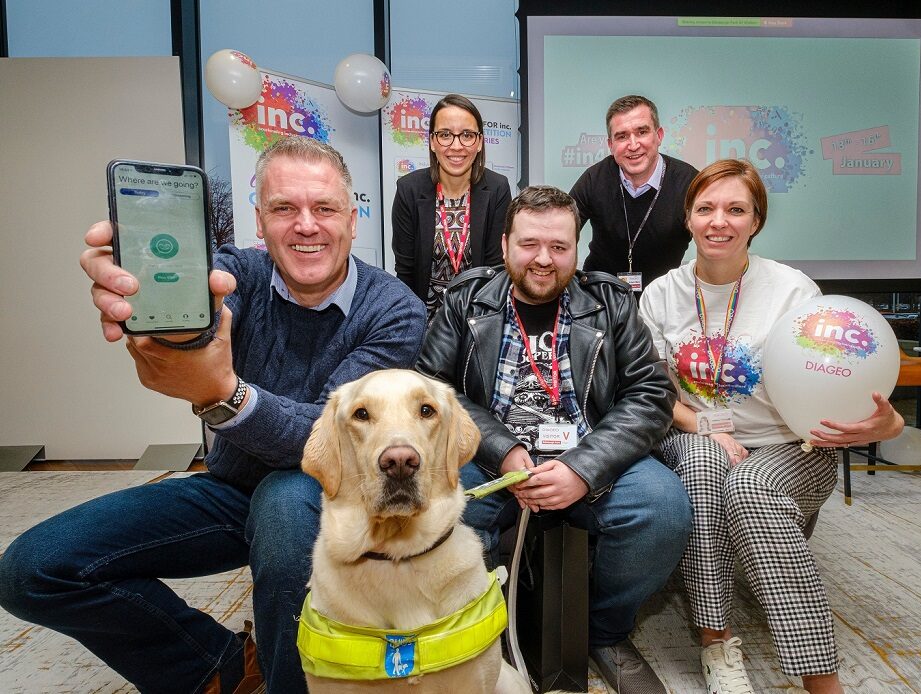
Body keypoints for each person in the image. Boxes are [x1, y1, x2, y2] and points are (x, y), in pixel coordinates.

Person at [0, 136, 427, 694]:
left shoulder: (394, 309)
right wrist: (157, 311)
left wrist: (222, 392)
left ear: (351, 218)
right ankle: (217, 666)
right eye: (283, 208)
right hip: (228, 488)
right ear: (259, 219)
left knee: (283, 502)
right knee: (31, 571)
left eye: (323, 208)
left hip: (330, 494)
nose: (306, 225)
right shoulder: (235, 273)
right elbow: (200, 316)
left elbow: (329, 439)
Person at [639, 159, 904, 694]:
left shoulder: (793, 291)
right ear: (687, 218)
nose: (720, 221)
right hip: (696, 434)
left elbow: (841, 380)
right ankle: (717, 642)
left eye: (736, 209)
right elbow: (652, 392)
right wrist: (703, 427)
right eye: (706, 208)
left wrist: (888, 422)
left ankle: (821, 679)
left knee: (752, 488)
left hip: (789, 446)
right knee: (705, 464)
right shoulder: (660, 295)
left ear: (756, 220)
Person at [417, 184, 693, 694]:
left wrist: (582, 468)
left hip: (590, 452)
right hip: (486, 456)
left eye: (560, 247)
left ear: (576, 248)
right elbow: (431, 391)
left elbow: (651, 394)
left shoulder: (609, 301)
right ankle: (479, 626)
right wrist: (502, 451)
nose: (544, 259)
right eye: (529, 244)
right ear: (504, 246)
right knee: (432, 513)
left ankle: (603, 632)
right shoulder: (465, 298)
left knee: (662, 508)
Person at [392, 93, 512, 321]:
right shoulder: (409, 189)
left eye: (467, 135)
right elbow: (405, 273)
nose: (456, 146)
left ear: (479, 143)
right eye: (445, 135)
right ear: (432, 142)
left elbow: (496, 272)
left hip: (478, 320)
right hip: (422, 321)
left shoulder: (497, 189)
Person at [570, 94, 698, 292]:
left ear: (659, 135)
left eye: (642, 132)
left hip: (664, 299)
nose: (633, 145)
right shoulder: (594, 179)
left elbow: (711, 240)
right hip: (600, 298)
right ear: (611, 145)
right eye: (622, 136)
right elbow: (560, 232)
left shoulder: (689, 183)